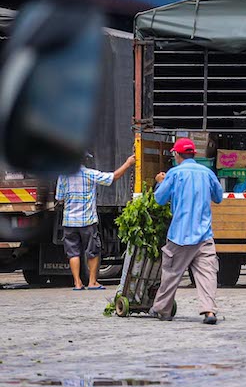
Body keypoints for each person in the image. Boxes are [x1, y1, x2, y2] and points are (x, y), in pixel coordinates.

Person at [149, 138, 224, 325]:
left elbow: (159, 199)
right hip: (204, 235)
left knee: (171, 273)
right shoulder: (207, 173)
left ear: (176, 154)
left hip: (179, 236)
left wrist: (160, 182)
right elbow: (218, 197)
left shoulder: (174, 174)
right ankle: (209, 311)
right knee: (207, 274)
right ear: (194, 154)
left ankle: (162, 309)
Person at [55, 154, 135, 290]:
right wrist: (128, 163)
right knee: (92, 251)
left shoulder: (63, 176)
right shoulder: (89, 174)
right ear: (84, 160)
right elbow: (113, 177)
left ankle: (77, 283)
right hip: (88, 221)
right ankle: (92, 282)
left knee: (73, 253)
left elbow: (59, 198)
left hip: (69, 221)